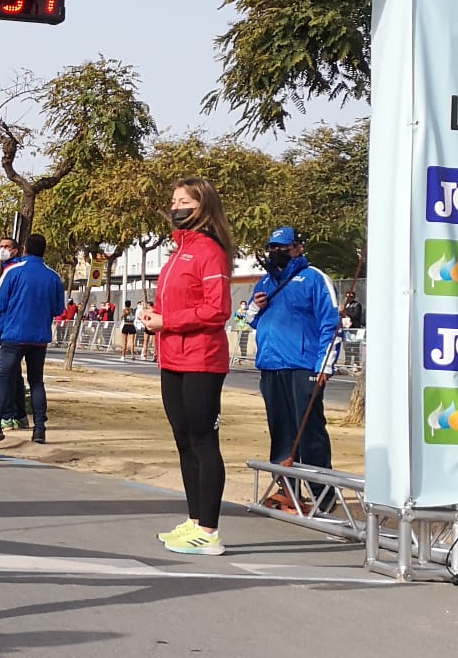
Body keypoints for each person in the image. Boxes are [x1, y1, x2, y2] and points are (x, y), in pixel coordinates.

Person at [144, 179, 239, 556]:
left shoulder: (209, 252)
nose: (177, 206)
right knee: (183, 440)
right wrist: (153, 316)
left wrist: (168, 321)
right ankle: (195, 519)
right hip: (172, 358)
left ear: (203, 207)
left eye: (185, 200)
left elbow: (218, 310)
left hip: (201, 359)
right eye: (174, 200)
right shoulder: (176, 252)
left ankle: (210, 530)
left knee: (203, 440)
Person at [249, 226, 341, 488]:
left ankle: (321, 492)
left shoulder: (314, 279)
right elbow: (250, 321)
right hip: (271, 366)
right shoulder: (265, 282)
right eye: (272, 248)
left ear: (297, 248)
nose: (277, 252)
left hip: (304, 366)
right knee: (281, 431)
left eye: (283, 248)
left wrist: (326, 365)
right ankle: (286, 489)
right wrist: (255, 307)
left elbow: (331, 323)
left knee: (309, 429)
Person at [0, 233, 64, 447]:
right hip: (39, 337)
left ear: (25, 250)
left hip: (14, 334)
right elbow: (59, 308)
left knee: (3, 378)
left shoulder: (13, 271)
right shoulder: (53, 276)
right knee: (36, 381)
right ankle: (39, 428)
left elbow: (0, 302)